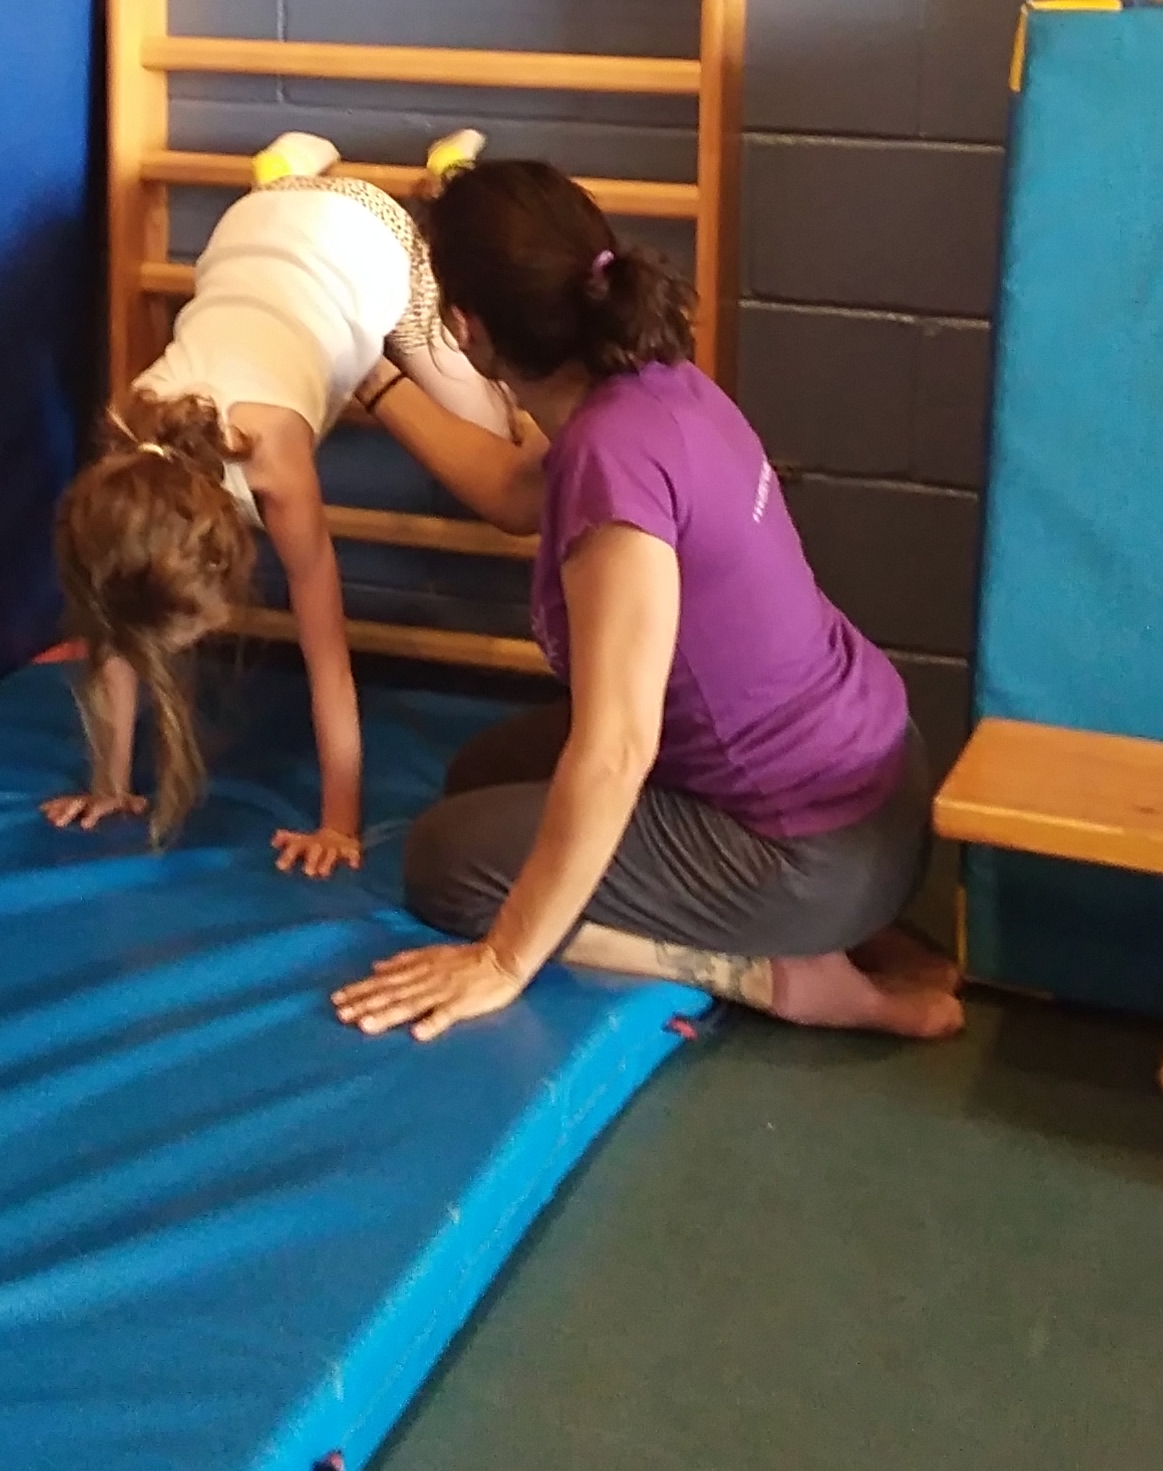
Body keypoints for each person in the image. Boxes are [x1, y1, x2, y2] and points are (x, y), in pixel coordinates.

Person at [330, 159, 961, 1045]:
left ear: (467, 331)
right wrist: (371, 377)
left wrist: (504, 961)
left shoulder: (612, 467)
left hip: (812, 848)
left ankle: (786, 974)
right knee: (482, 777)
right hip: (875, 783)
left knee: (448, 867)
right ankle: (840, 928)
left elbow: (618, 750)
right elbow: (511, 489)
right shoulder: (643, 377)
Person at [49, 129, 517, 875]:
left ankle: (448, 185)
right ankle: (285, 172)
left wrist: (339, 823)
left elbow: (327, 654)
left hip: (369, 236)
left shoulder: (274, 461)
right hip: (249, 232)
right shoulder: (128, 447)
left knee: (494, 427)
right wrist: (109, 785)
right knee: (289, 252)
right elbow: (117, 631)